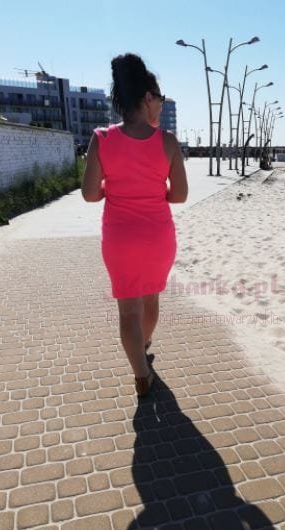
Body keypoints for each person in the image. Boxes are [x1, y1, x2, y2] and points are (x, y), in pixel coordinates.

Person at [81, 53, 188, 397]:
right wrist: (155, 194)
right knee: (151, 301)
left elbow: (89, 195)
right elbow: (180, 195)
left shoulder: (101, 138)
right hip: (157, 236)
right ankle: (143, 348)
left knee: (128, 311)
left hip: (120, 239)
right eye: (159, 98)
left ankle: (141, 375)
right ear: (147, 98)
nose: (161, 105)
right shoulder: (167, 141)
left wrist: (113, 189)